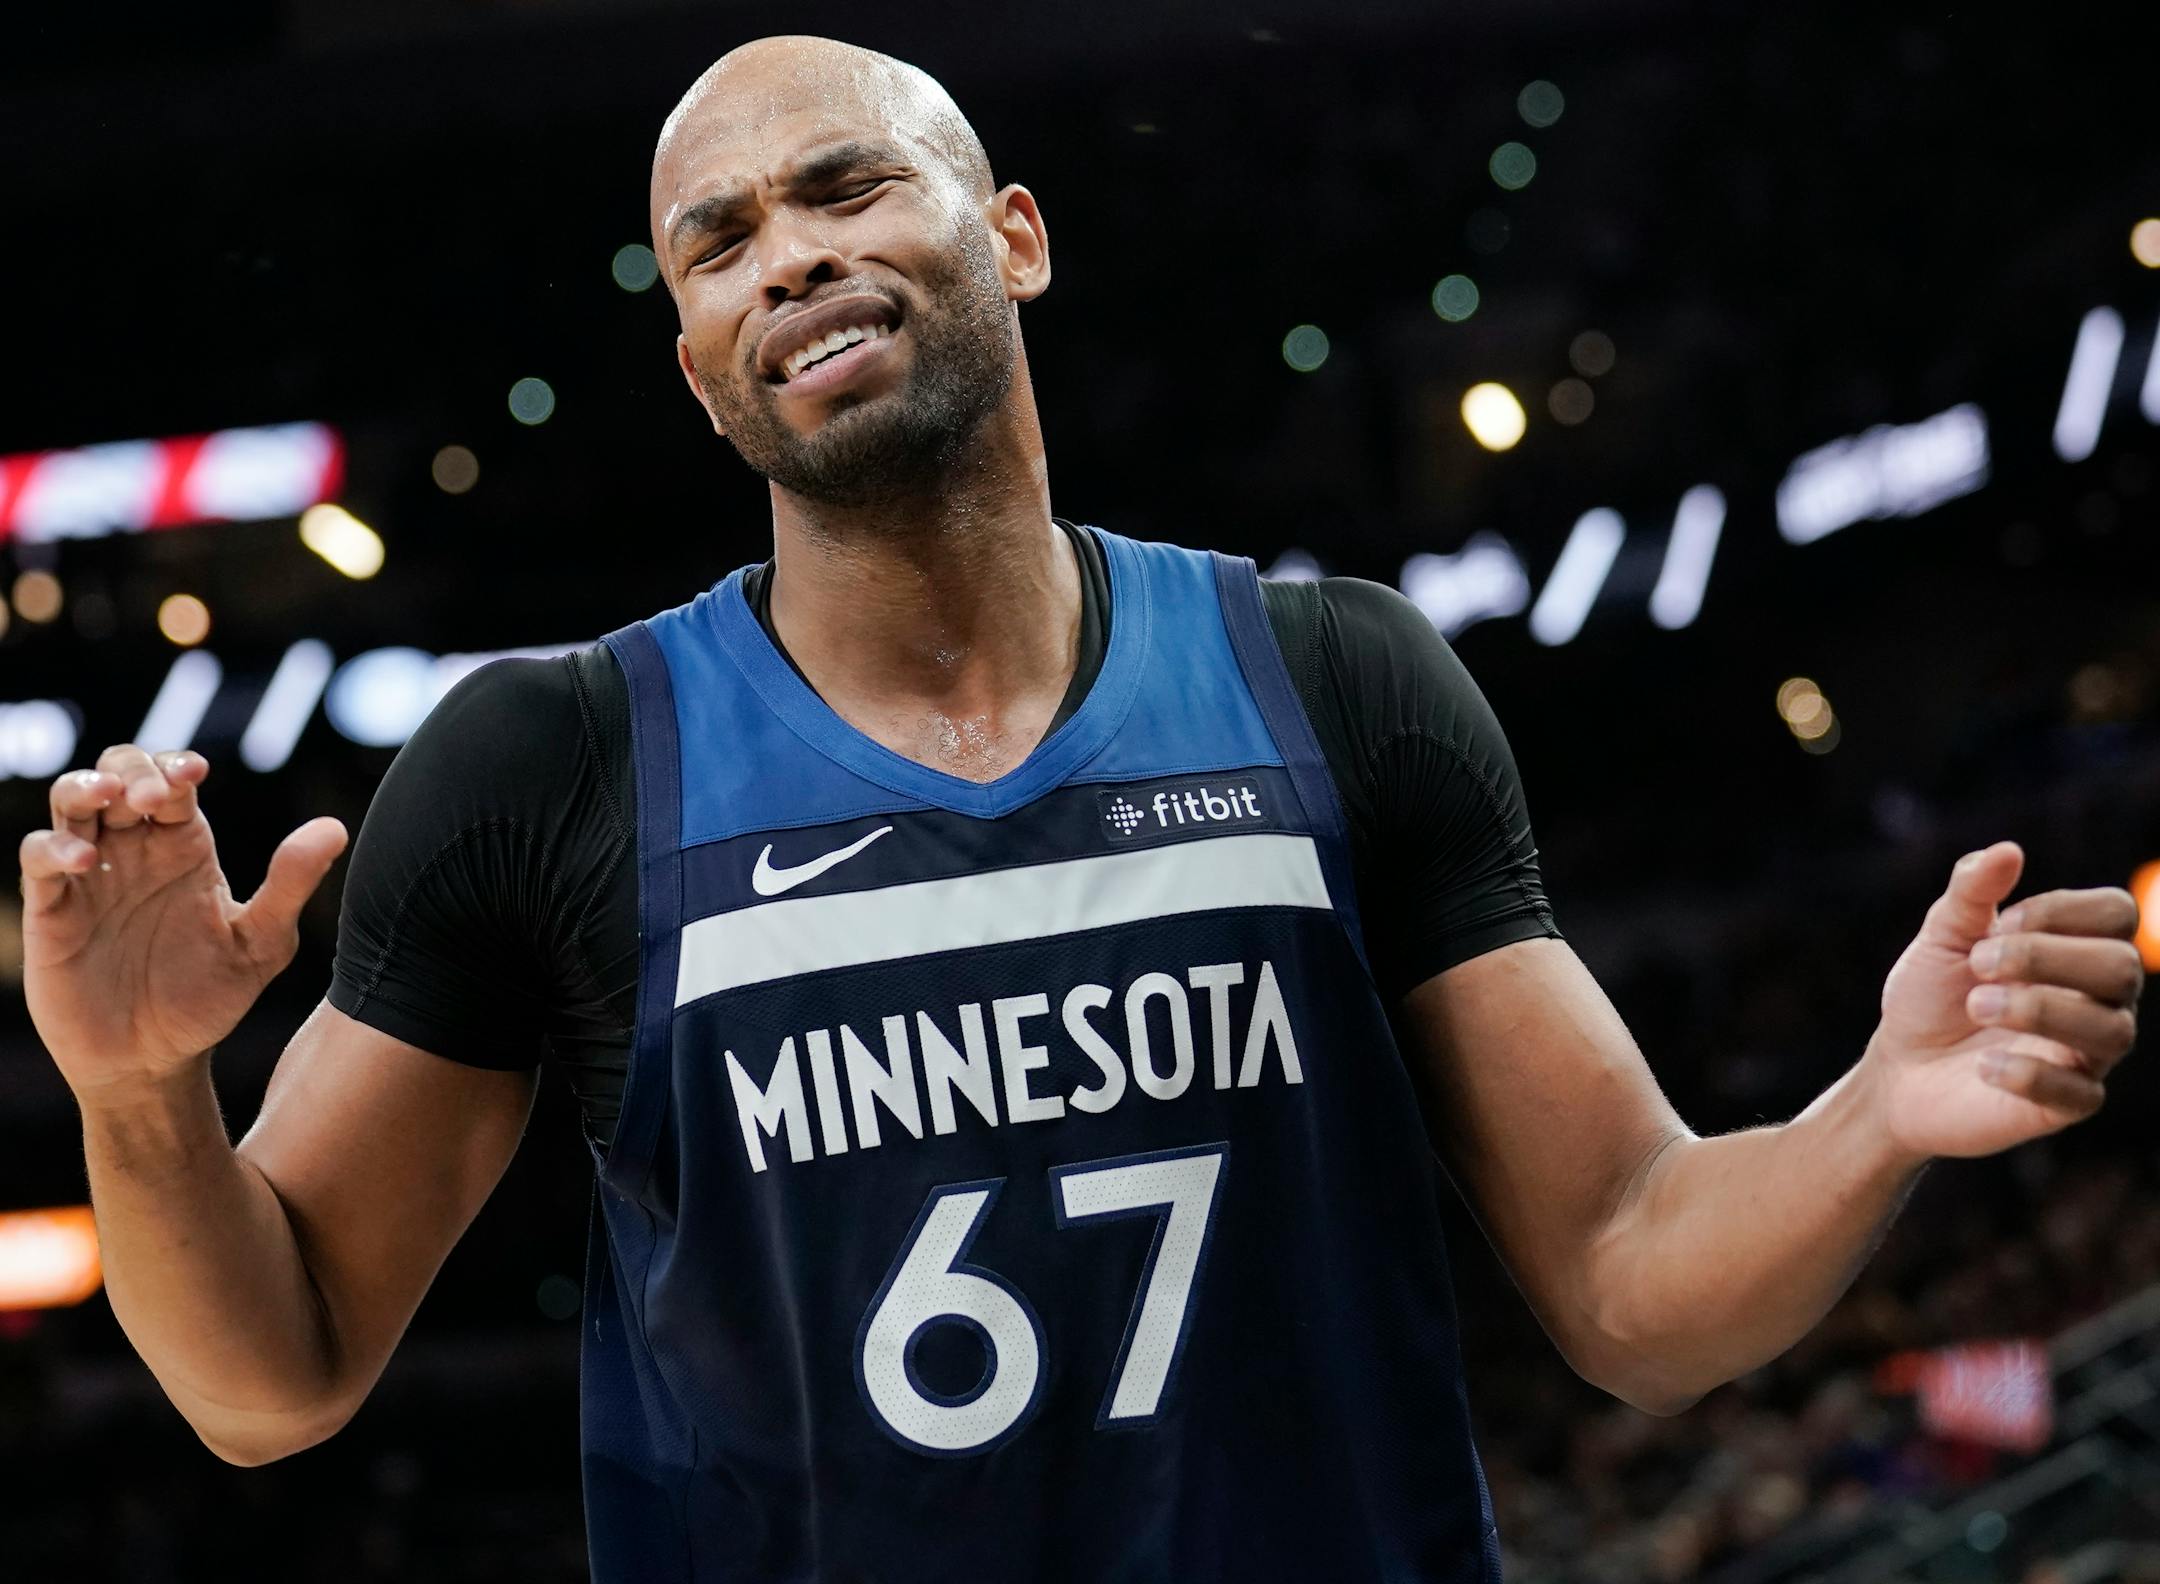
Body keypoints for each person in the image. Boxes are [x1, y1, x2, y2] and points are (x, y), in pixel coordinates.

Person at [18, 34, 2142, 1583]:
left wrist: (1875, 1115)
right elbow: (272, 1374)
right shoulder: (552, 762)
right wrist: (138, 1098)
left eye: (846, 188)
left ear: (1012, 236)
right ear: (695, 363)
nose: (787, 259)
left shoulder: (1334, 679)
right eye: (719, 244)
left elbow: (1623, 1276)